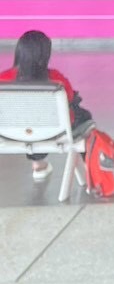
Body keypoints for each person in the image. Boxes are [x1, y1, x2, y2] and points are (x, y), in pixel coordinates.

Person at [0, 30, 91, 182]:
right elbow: (69, 99)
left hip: (10, 134)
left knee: (30, 122)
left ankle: (38, 165)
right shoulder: (56, 79)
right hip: (53, 132)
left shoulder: (3, 79)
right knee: (85, 118)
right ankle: (90, 170)